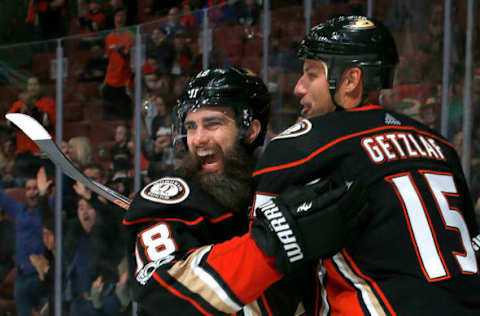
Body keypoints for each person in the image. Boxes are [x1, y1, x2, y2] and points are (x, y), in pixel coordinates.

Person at [251, 16, 480, 315]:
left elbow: (264, 271)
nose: (298, 87)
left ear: (350, 80)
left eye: (311, 74)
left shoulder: (301, 144)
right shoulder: (440, 145)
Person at [123, 67, 369, 315]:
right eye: (191, 126)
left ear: (251, 131)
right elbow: (164, 291)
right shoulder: (172, 199)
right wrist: (271, 244)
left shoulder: (278, 191)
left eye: (212, 124)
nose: (198, 139)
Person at [0, 167, 55, 316]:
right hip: (21, 277)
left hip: (42, 278)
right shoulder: (18, 210)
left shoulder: (48, 207)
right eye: (28, 189)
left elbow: (61, 193)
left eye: (35, 188)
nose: (32, 192)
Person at [7, 77, 56, 154]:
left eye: (35, 84)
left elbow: (46, 124)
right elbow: (10, 124)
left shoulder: (48, 103)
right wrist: (21, 112)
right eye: (30, 85)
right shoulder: (18, 104)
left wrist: (32, 107)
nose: (32, 87)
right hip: (23, 150)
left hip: (42, 150)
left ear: (41, 87)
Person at [102, 7, 134, 120]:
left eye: (122, 15)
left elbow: (129, 56)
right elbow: (109, 60)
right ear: (114, 18)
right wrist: (105, 80)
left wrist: (120, 49)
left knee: (125, 113)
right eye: (118, 16)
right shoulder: (109, 37)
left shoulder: (129, 35)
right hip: (111, 79)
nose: (120, 18)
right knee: (108, 114)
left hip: (124, 79)